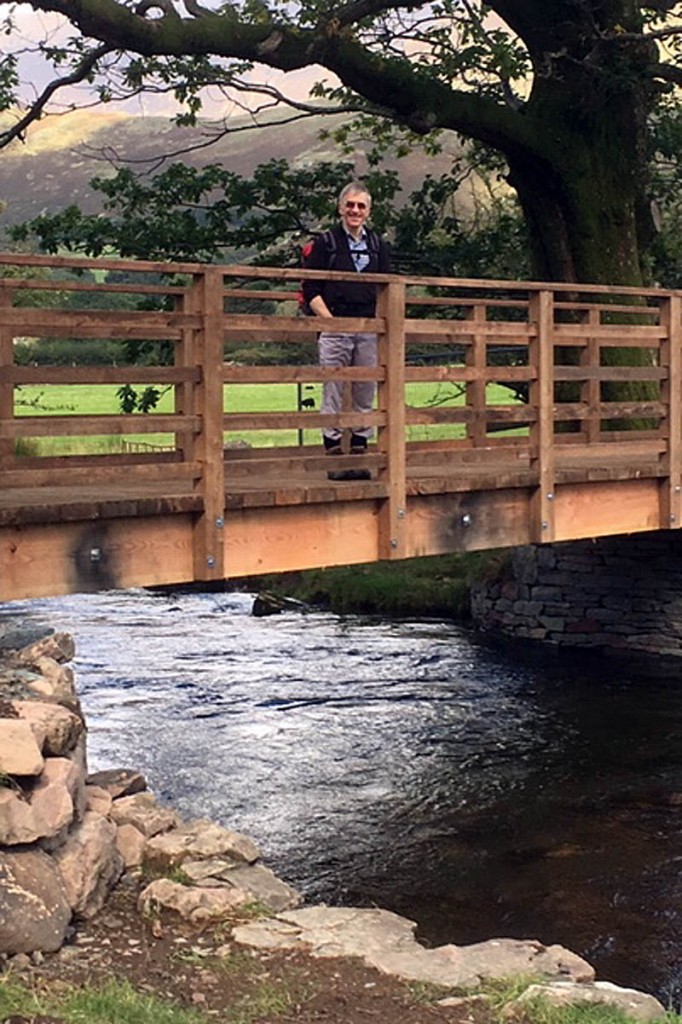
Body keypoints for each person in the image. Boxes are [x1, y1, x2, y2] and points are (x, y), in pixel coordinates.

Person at [301, 182, 391, 479]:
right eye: (350, 205)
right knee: (334, 388)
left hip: (368, 326)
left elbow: (386, 288)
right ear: (340, 208)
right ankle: (334, 455)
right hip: (334, 324)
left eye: (360, 206)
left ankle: (360, 450)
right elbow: (311, 288)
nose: (355, 211)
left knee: (365, 388)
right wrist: (330, 322)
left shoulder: (377, 245)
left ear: (368, 211)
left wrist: (378, 322)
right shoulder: (326, 243)